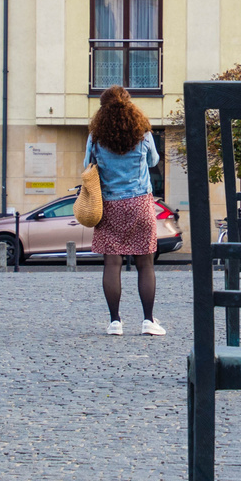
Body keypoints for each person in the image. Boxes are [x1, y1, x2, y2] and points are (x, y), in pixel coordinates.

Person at [84, 85, 164, 336]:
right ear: (130, 105)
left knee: (112, 262)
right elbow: (153, 161)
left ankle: (115, 322)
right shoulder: (143, 133)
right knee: (145, 262)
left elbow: (87, 165)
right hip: (140, 201)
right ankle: (148, 321)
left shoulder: (96, 137)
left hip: (109, 204)